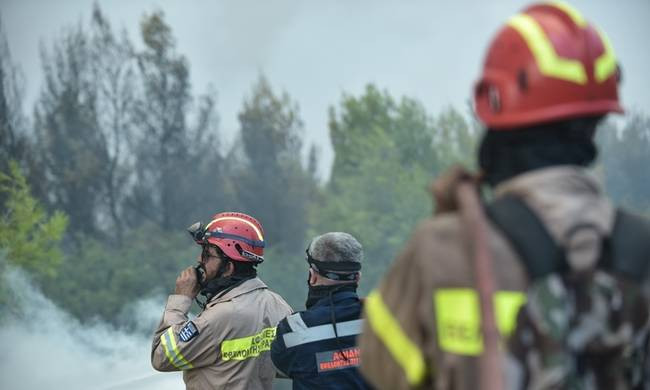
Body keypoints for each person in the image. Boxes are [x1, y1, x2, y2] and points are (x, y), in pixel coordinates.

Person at [358, 2, 650, 389]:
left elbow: (381, 367)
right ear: (595, 122)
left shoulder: (438, 249)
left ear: (495, 106)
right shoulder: (642, 248)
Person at [151, 212, 293, 390]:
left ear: (229, 267)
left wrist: (180, 300)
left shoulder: (217, 318)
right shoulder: (279, 306)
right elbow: (287, 367)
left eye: (207, 254)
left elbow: (161, 357)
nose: (199, 260)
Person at [271, 232, 373, 389]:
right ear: (357, 278)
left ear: (312, 276)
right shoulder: (383, 323)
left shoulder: (293, 329)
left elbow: (283, 364)